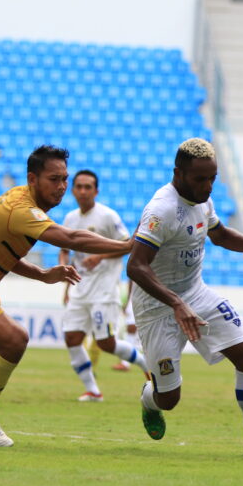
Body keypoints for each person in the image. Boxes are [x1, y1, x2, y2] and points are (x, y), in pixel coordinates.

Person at [0, 145, 134, 446]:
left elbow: (1, 251)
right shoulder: (22, 210)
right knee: (14, 339)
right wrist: (124, 246)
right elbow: (70, 238)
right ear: (33, 179)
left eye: (64, 180)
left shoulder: (23, 201)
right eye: (54, 179)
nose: (61, 188)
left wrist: (43, 275)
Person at [126, 138, 243, 458]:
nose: (208, 186)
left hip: (196, 292)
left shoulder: (202, 199)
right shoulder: (161, 210)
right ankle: (148, 398)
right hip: (156, 306)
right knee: (169, 399)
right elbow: (136, 266)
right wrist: (176, 304)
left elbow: (220, 234)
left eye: (213, 178)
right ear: (178, 173)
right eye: (200, 179)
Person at [58, 169, 149, 401]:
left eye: (88, 187)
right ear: (73, 190)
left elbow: (128, 245)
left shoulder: (108, 216)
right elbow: (64, 250)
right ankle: (93, 390)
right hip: (80, 288)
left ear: (96, 191)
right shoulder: (70, 219)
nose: (83, 191)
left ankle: (145, 363)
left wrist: (100, 256)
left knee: (105, 343)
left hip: (104, 289)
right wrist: (66, 282)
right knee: (72, 339)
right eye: (78, 186)